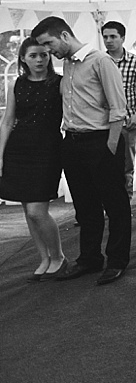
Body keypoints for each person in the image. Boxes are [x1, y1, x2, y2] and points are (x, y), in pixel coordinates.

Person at [32, 16, 130, 285]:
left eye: (48, 44)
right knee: (85, 206)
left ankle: (118, 260)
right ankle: (90, 258)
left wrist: (110, 147)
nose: (47, 52)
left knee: (115, 204)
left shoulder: (101, 61)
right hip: (73, 143)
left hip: (101, 142)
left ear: (64, 36)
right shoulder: (67, 64)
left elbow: (118, 108)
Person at [0, 38, 66, 281]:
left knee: (38, 211)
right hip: (18, 150)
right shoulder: (17, 84)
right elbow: (7, 121)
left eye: (44, 55)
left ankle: (58, 256)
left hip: (47, 151)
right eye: (33, 56)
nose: (39, 60)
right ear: (23, 59)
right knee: (28, 211)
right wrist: (0, 155)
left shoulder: (59, 83)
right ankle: (44, 257)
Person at [101, 21, 136, 199]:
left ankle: (125, 203)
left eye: (113, 37)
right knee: (104, 164)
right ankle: (107, 203)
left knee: (126, 164)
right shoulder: (100, 61)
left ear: (122, 38)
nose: (108, 41)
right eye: (105, 37)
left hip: (127, 122)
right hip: (103, 122)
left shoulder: (135, 62)